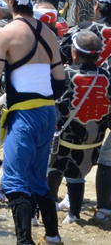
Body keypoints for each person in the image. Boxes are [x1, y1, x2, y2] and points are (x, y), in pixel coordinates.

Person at [0, 0, 66, 245]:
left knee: (13, 181)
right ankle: (53, 237)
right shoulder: (49, 33)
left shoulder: (6, 33)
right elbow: (59, 83)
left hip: (25, 113)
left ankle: (24, 241)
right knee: (37, 180)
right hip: (47, 111)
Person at [48, 28, 111, 224]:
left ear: (74, 54)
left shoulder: (65, 74)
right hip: (93, 145)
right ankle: (73, 214)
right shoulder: (108, 77)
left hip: (66, 141)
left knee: (53, 168)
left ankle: (48, 209)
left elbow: (54, 102)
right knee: (76, 175)